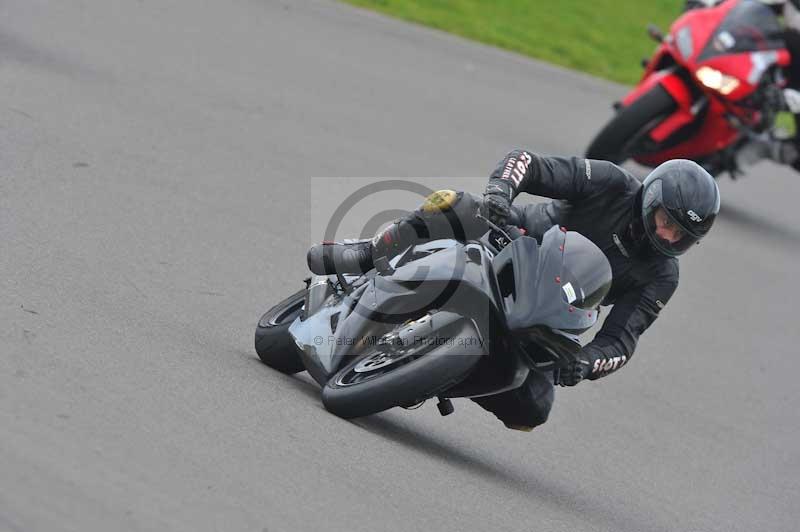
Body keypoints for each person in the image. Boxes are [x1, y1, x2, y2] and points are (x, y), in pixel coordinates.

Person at [307, 152, 721, 431]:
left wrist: (585, 363)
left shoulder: (662, 275)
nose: (666, 235)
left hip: (547, 315)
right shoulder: (612, 183)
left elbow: (620, 342)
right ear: (652, 198)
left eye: (680, 235)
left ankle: (433, 375)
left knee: (533, 411)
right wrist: (500, 194)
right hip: (512, 240)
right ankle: (371, 252)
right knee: (457, 204)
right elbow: (528, 162)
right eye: (666, 220)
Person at [685, 0, 800, 170]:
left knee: (794, 150)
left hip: (789, 86)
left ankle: (747, 153)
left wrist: (791, 99)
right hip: (766, 42)